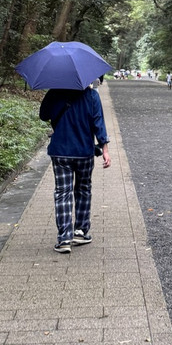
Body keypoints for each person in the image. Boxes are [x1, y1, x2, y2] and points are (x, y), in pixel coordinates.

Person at [40, 82, 111, 255]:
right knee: (83, 190)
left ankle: (64, 238)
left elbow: (43, 115)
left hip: (60, 152)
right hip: (84, 152)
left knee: (62, 193)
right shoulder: (92, 95)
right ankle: (80, 231)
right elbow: (98, 123)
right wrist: (105, 150)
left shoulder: (54, 92)